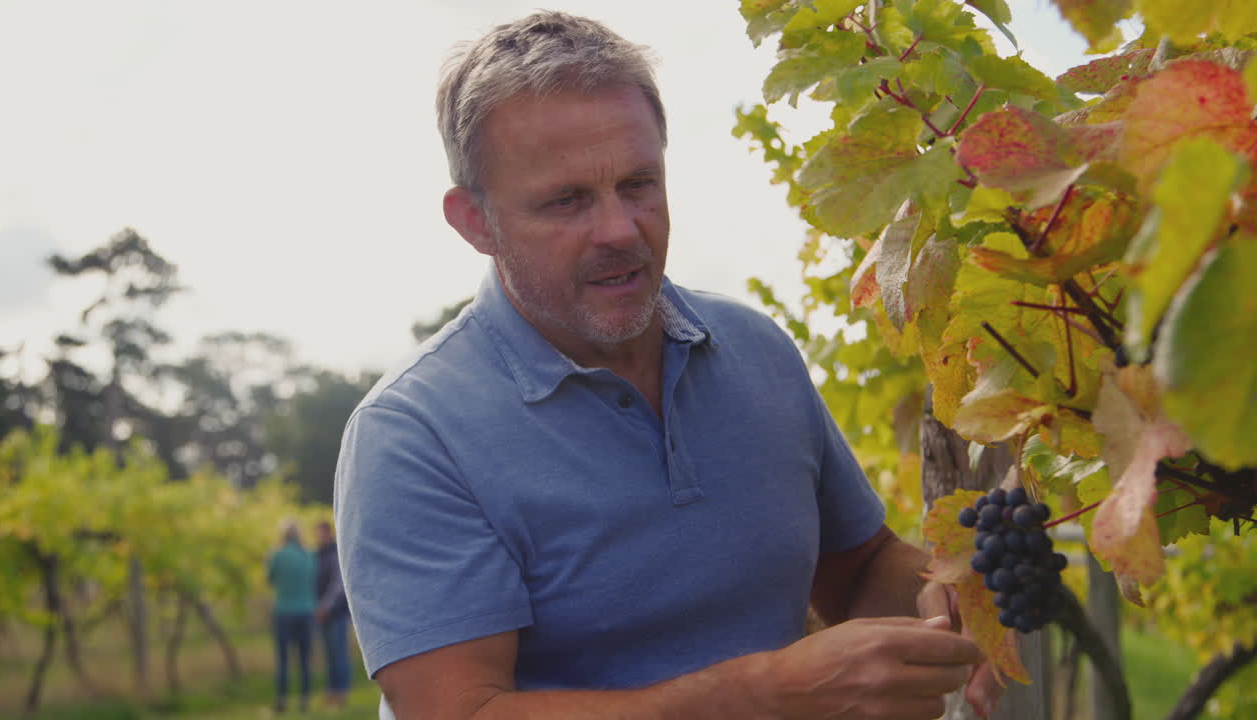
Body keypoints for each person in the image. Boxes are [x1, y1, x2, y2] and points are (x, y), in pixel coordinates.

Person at [334, 11, 1002, 720]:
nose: (620, 229)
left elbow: (860, 566)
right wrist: (767, 696)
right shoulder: (412, 433)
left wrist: (940, 597)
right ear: (474, 222)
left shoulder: (756, 351)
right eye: (567, 200)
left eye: (638, 184)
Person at [266, 521, 316, 713]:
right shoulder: (309, 555)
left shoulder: (277, 555)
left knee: (283, 659)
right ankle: (304, 700)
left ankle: (282, 700)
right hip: (306, 611)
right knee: (304, 659)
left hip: (284, 611)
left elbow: (270, 578)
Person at [314, 520, 352, 707]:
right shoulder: (318, 555)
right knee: (329, 655)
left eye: (322, 532)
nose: (319, 536)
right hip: (322, 613)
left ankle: (341, 693)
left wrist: (325, 607)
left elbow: (338, 584)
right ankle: (331, 693)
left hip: (336, 613)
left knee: (339, 654)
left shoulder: (335, 553)